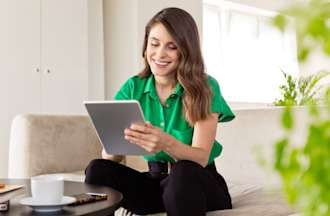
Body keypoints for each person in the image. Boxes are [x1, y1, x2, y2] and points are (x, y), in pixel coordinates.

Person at [85, 7, 235, 216]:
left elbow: (201, 157)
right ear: (146, 45)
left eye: (171, 47)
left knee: (183, 173)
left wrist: (166, 143)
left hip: (198, 184)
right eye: (154, 44)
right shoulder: (133, 87)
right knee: (97, 169)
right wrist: (114, 144)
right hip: (157, 185)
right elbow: (110, 157)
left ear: (186, 50)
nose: (160, 54)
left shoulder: (205, 87)